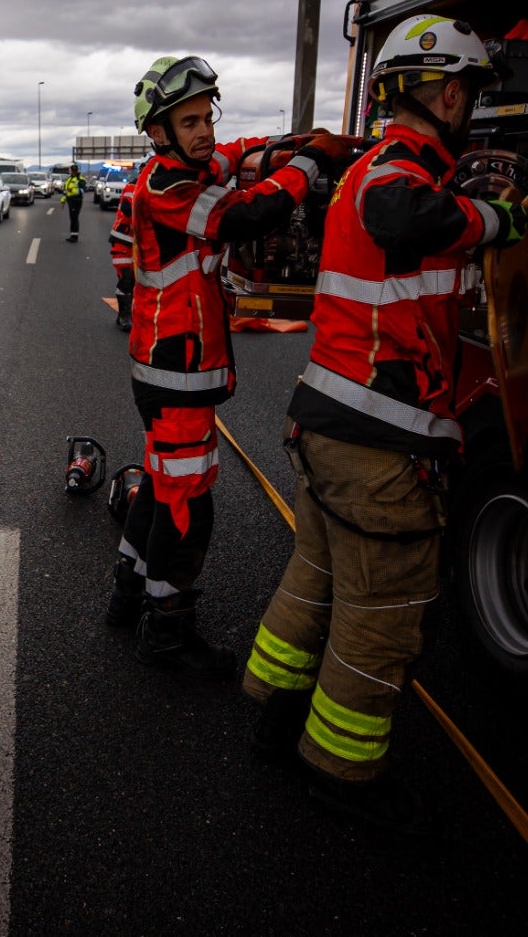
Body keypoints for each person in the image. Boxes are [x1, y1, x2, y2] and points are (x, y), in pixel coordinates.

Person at [240, 14, 528, 828]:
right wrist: (498, 220)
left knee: (319, 580)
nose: (469, 105)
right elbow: (405, 219)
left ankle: (274, 716)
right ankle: (341, 772)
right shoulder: (395, 173)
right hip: (381, 442)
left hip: (336, 425)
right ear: (444, 91)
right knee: (382, 623)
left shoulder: (384, 167)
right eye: (468, 91)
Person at [105, 54, 359, 678]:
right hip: (178, 371)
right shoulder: (169, 188)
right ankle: (167, 631)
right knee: (189, 505)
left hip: (166, 369)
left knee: (162, 486)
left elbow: (240, 152)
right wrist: (312, 162)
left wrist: (292, 144)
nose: (204, 132)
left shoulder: (194, 162)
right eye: (187, 122)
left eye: (205, 118)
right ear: (159, 133)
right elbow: (246, 216)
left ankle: (128, 594)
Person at [107, 169, 138, 331]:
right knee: (127, 279)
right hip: (123, 242)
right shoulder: (133, 188)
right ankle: (124, 316)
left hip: (143, 246)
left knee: (141, 283)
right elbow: (128, 209)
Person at [60, 163, 84, 241]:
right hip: (70, 201)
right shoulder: (69, 179)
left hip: (76, 201)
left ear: (77, 171)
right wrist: (63, 200)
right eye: (72, 171)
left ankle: (75, 236)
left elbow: (81, 191)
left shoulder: (80, 180)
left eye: (75, 171)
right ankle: (72, 235)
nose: (73, 172)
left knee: (74, 218)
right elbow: (65, 191)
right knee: (72, 218)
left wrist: (72, 190)